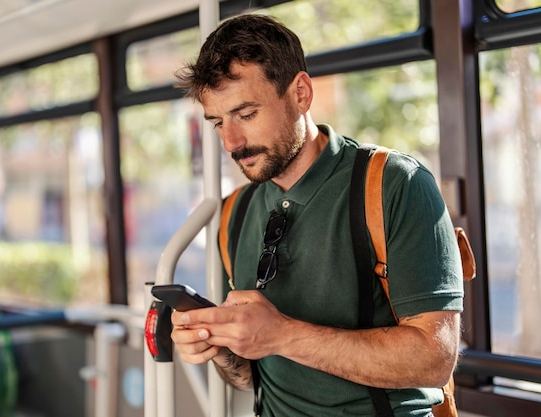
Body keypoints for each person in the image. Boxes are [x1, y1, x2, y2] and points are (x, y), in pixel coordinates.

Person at [171, 13, 464, 417]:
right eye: (218, 123)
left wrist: (281, 335)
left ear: (301, 94)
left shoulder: (395, 184)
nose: (232, 142)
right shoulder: (233, 214)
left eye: (246, 114)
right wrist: (220, 347)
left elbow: (434, 359)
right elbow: (246, 376)